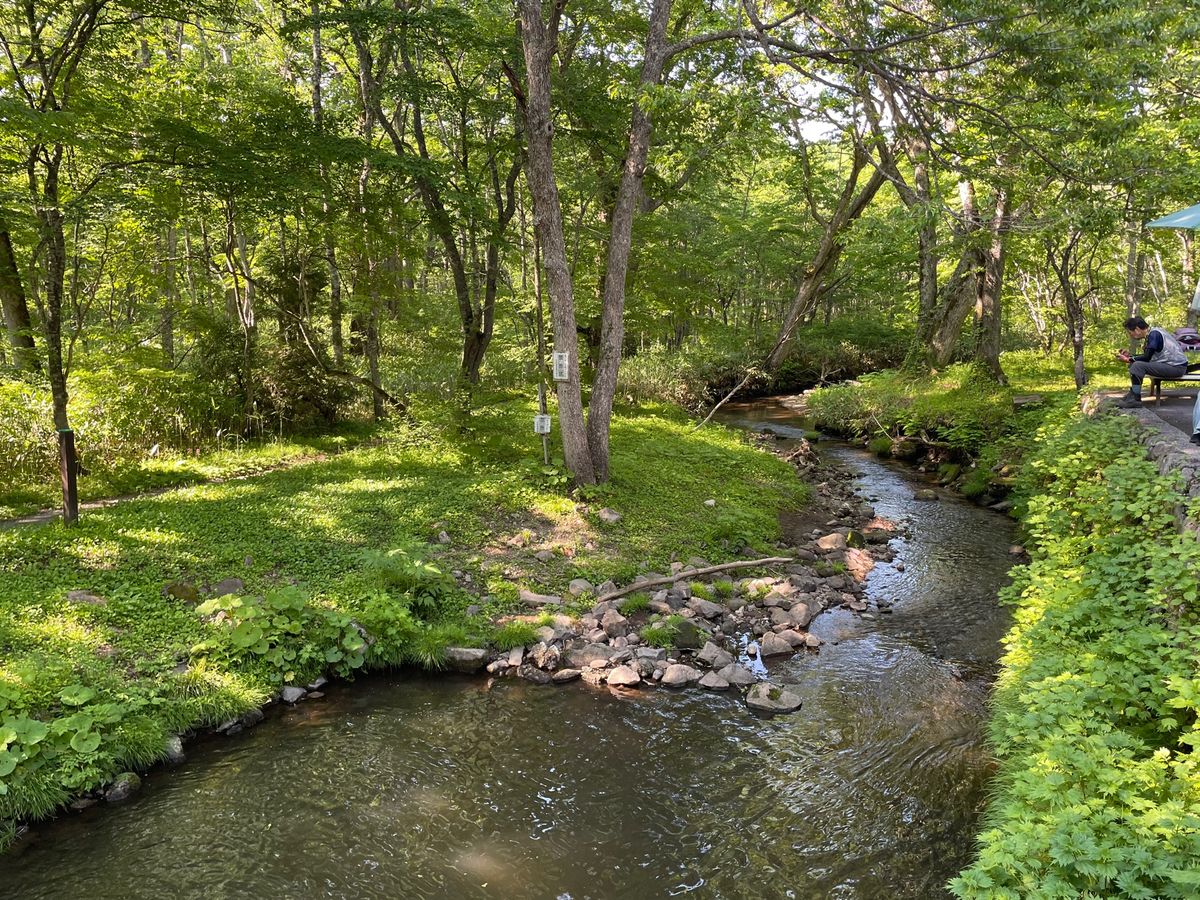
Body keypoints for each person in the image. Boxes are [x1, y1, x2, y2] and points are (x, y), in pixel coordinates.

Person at [1114, 316, 1188, 408]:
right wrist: (1130, 357)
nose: (1131, 335)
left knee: (1137, 366)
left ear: (1137, 329)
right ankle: (1133, 393)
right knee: (1135, 363)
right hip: (1172, 365)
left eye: (1130, 332)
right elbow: (1148, 357)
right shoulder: (1152, 333)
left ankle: (1135, 399)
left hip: (1176, 367)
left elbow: (1147, 357)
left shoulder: (1154, 335)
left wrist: (1128, 359)